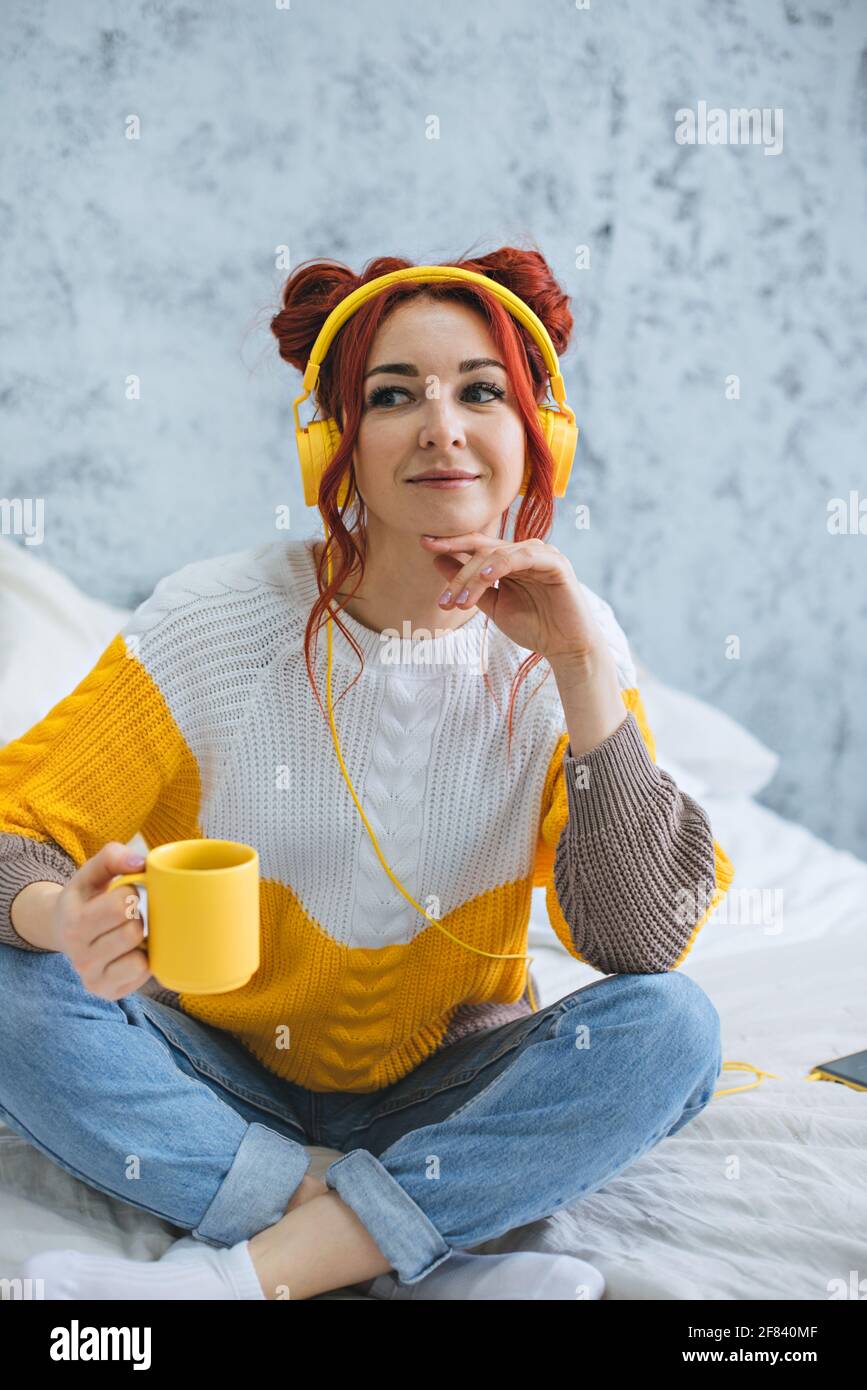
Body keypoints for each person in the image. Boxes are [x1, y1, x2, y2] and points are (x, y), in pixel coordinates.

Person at [0, 247, 731, 1301]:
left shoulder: (577, 648)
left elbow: (636, 941)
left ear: (541, 436)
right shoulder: (210, 623)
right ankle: (411, 1241)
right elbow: (15, 834)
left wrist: (577, 669)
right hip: (215, 1069)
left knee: (675, 1029)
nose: (442, 424)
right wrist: (54, 917)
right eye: (396, 396)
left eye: (482, 391)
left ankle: (244, 1276)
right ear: (335, 445)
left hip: (445, 1088)